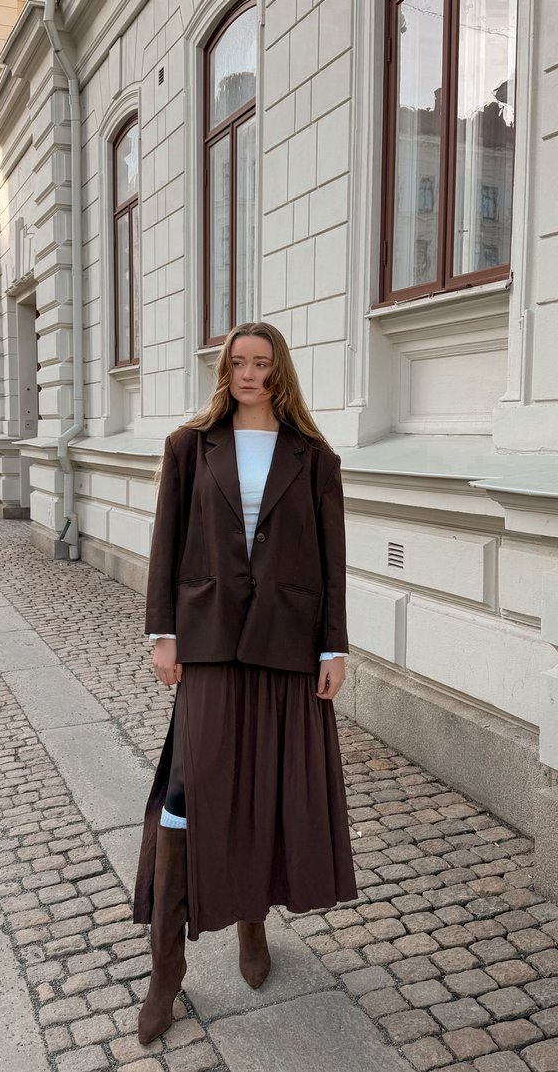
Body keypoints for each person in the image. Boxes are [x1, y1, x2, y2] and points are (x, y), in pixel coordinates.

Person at [133, 321, 357, 1044]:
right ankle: (166, 969)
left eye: (262, 363)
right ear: (225, 370)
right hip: (208, 637)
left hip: (287, 644)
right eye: (239, 363)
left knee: (266, 784)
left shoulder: (314, 457)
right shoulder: (189, 447)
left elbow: (332, 563)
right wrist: (162, 633)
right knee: (187, 792)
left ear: (279, 371)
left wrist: (333, 648)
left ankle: (252, 925)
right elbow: (167, 541)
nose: (250, 374)